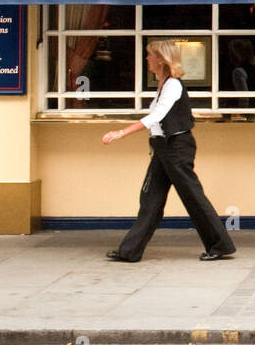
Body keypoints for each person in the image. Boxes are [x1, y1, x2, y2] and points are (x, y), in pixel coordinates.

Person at [101, 40, 237, 263]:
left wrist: (121, 132)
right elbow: (156, 122)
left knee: (192, 196)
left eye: (150, 56)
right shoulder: (162, 84)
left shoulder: (173, 85)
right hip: (164, 148)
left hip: (177, 149)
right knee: (150, 199)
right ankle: (129, 251)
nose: (147, 59)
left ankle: (220, 245)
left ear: (161, 60)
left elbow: (156, 117)